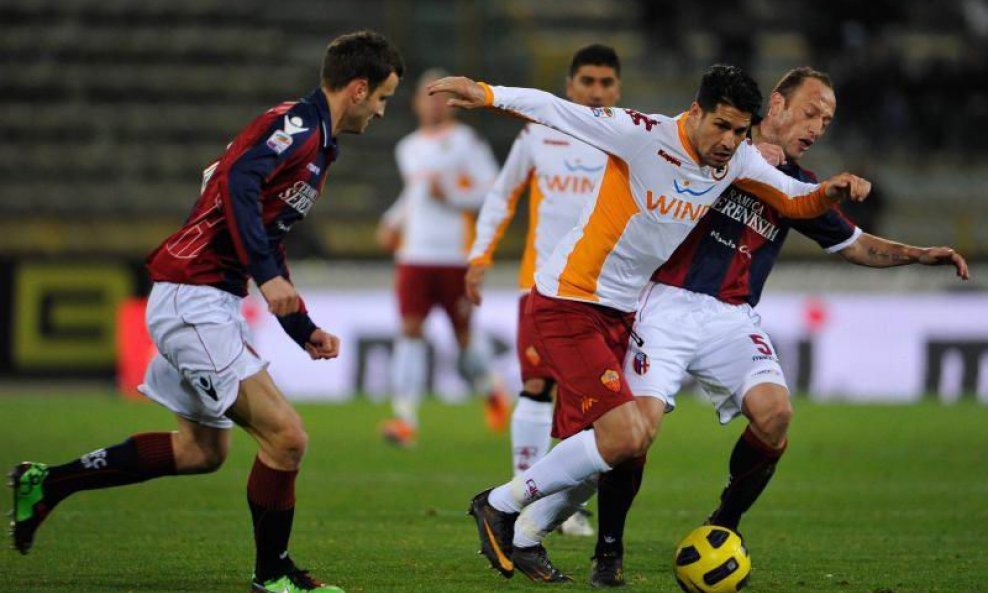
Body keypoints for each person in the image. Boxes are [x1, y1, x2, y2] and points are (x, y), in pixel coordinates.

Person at [512, 67, 970, 587]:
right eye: (811, 111)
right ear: (775, 104)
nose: (818, 126)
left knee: (775, 414)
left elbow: (856, 244)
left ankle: (723, 525)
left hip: (731, 316)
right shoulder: (713, 148)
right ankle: (607, 548)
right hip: (662, 303)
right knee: (635, 432)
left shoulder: (795, 186)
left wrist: (919, 254)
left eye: (827, 119)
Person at [428, 65, 871, 581]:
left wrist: (834, 190)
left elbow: (797, 199)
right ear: (697, 110)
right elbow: (555, 109)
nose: (730, 141)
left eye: (739, 131)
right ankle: (498, 505)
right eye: (722, 126)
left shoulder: (739, 159)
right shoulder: (641, 134)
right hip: (570, 299)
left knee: (612, 447)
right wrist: (485, 92)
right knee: (622, 436)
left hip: (623, 310)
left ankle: (525, 536)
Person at [8, 31, 404, 593]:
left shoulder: (316, 143)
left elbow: (260, 220)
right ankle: (273, 576)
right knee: (287, 438)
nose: (384, 111)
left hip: (197, 297)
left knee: (201, 451)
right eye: (384, 98)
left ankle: (47, 483)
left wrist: (302, 327)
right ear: (359, 88)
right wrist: (266, 276)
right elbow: (239, 178)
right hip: (195, 298)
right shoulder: (297, 125)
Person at [467, 43, 623, 544]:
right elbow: (501, 194)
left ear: (617, 88)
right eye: (587, 82)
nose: (596, 92)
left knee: (593, 403)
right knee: (537, 386)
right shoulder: (538, 133)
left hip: (604, 288)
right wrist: (479, 257)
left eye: (605, 83)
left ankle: (559, 506)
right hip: (541, 284)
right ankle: (521, 496)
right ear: (569, 87)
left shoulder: (629, 138)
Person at [376, 68, 507, 448]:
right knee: (410, 331)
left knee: (465, 340)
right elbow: (414, 195)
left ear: (449, 103)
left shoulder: (467, 142)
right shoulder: (408, 147)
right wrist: (392, 221)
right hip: (414, 255)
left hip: (454, 255)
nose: (433, 104)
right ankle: (404, 419)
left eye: (439, 97)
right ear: (416, 102)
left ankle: (491, 388)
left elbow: (492, 190)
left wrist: (451, 193)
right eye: (426, 96)